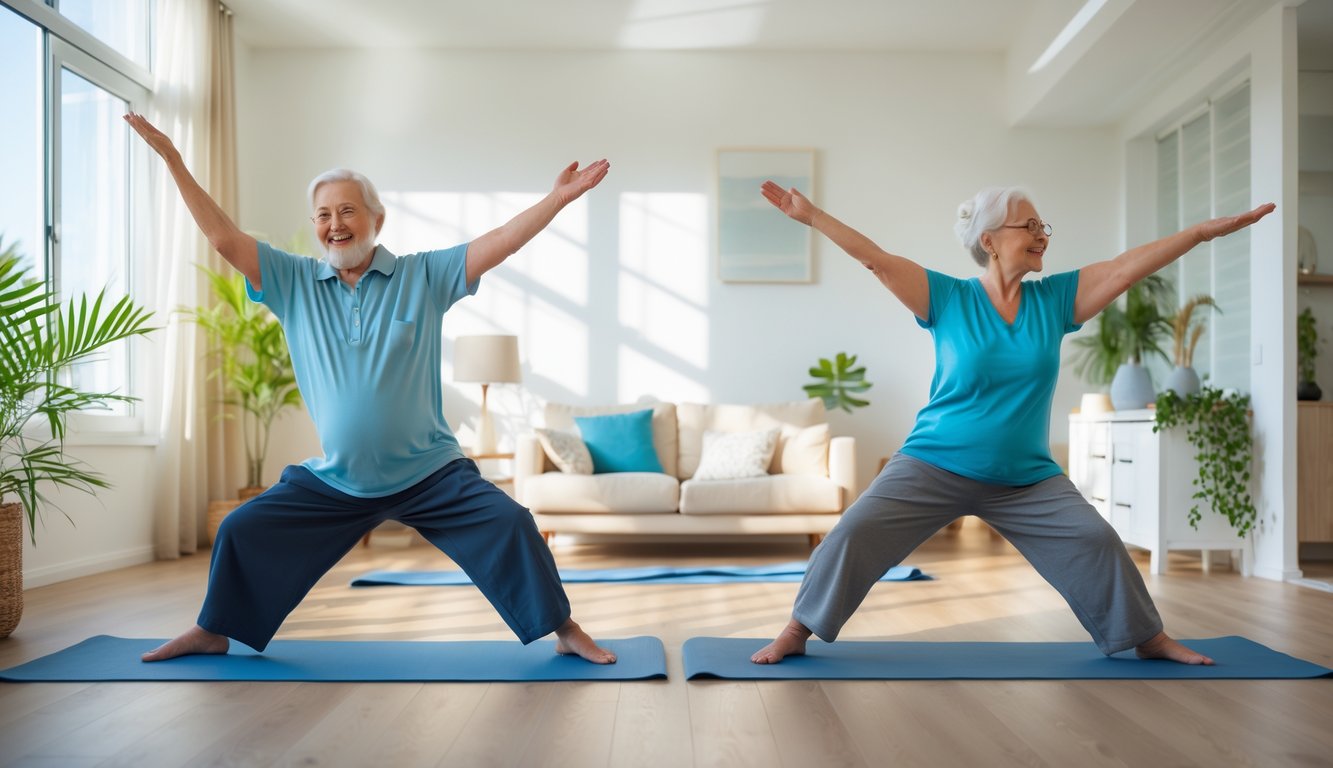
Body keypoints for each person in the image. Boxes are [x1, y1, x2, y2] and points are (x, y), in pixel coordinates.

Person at [124, 112, 616, 664]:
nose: (335, 223)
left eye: (347, 211)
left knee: (512, 523)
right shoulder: (291, 282)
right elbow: (222, 238)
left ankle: (565, 629)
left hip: (429, 472)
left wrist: (556, 200)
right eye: (323, 214)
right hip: (338, 480)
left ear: (376, 219)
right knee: (242, 528)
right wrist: (173, 158)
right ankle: (214, 629)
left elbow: (500, 241)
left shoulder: (422, 276)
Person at [750, 180, 1274, 666]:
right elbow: (877, 261)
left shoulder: (1055, 301)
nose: (1041, 235)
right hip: (933, 462)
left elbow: (1123, 269)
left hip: (1026, 479)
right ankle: (797, 631)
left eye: (1044, 227)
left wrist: (1201, 233)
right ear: (990, 240)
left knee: (1096, 541)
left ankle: (1150, 638)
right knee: (855, 529)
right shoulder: (948, 298)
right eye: (1030, 226)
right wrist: (813, 216)